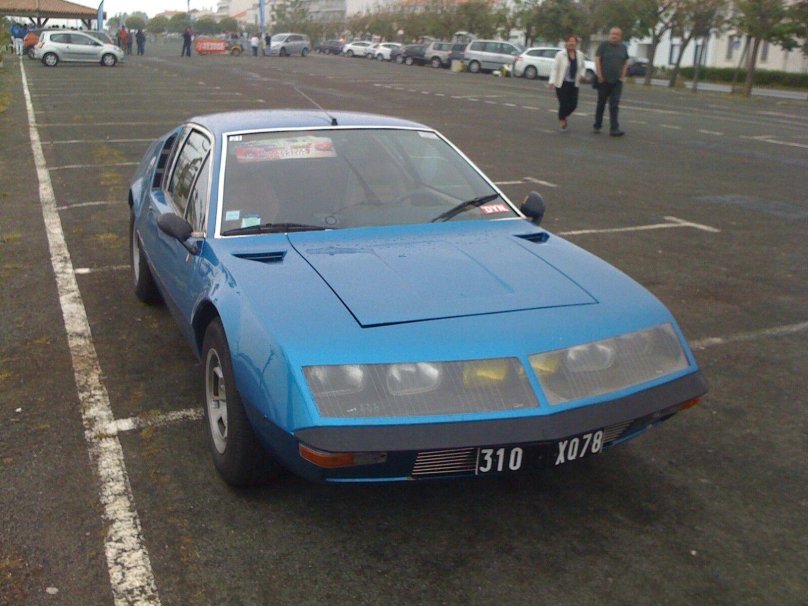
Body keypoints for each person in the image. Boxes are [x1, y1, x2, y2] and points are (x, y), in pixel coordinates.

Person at [593, 27, 629, 137]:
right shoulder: (603, 45)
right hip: (604, 79)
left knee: (614, 105)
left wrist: (623, 75)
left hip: (617, 81)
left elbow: (626, 61)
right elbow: (597, 59)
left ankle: (614, 128)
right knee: (601, 103)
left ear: (620, 36)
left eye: (617, 34)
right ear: (609, 34)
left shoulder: (623, 47)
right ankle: (597, 125)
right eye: (612, 34)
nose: (614, 36)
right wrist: (599, 75)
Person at [548, 35, 586, 132]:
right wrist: (552, 82)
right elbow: (555, 69)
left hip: (574, 83)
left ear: (576, 44)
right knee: (563, 103)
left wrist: (582, 75)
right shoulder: (560, 55)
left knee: (573, 104)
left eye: (573, 42)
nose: (571, 43)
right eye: (569, 41)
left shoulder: (580, 55)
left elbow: (582, 67)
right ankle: (562, 122)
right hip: (562, 83)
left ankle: (562, 115)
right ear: (566, 43)